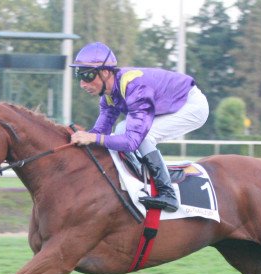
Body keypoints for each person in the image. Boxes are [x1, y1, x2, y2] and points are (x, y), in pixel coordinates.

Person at [70, 42, 209, 213]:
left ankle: (168, 193)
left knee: (143, 137)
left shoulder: (136, 88)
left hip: (191, 105)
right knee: (120, 129)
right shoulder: (108, 95)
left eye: (88, 75)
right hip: (169, 105)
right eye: (79, 76)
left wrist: (92, 137)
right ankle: (142, 175)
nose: (82, 84)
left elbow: (131, 142)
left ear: (105, 72)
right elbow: (99, 133)